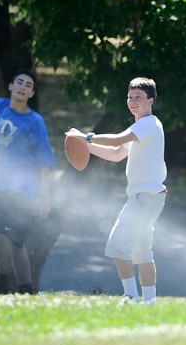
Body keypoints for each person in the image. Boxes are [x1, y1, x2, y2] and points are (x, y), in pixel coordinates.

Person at [66, 77, 167, 305]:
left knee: (117, 244)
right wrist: (87, 146)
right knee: (142, 252)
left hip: (144, 199)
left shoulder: (147, 124)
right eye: (130, 97)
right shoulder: (142, 127)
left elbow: (117, 140)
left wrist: (84, 136)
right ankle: (149, 302)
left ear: (150, 101)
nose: (132, 101)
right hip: (150, 198)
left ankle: (130, 297)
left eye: (138, 97)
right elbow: (117, 153)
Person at [0, 68, 57, 294]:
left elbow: (44, 162)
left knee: (6, 239)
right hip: (2, 188)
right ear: (11, 87)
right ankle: (23, 290)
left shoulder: (34, 121)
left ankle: (4, 288)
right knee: (10, 243)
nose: (22, 87)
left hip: (24, 192)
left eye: (28, 85)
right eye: (19, 82)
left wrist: (45, 198)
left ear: (31, 94)